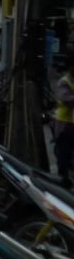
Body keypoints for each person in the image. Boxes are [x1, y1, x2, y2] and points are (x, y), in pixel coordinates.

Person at [52, 53, 74, 187]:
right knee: (64, 158)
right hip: (64, 125)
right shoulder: (64, 82)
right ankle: (61, 184)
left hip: (72, 125)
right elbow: (67, 99)